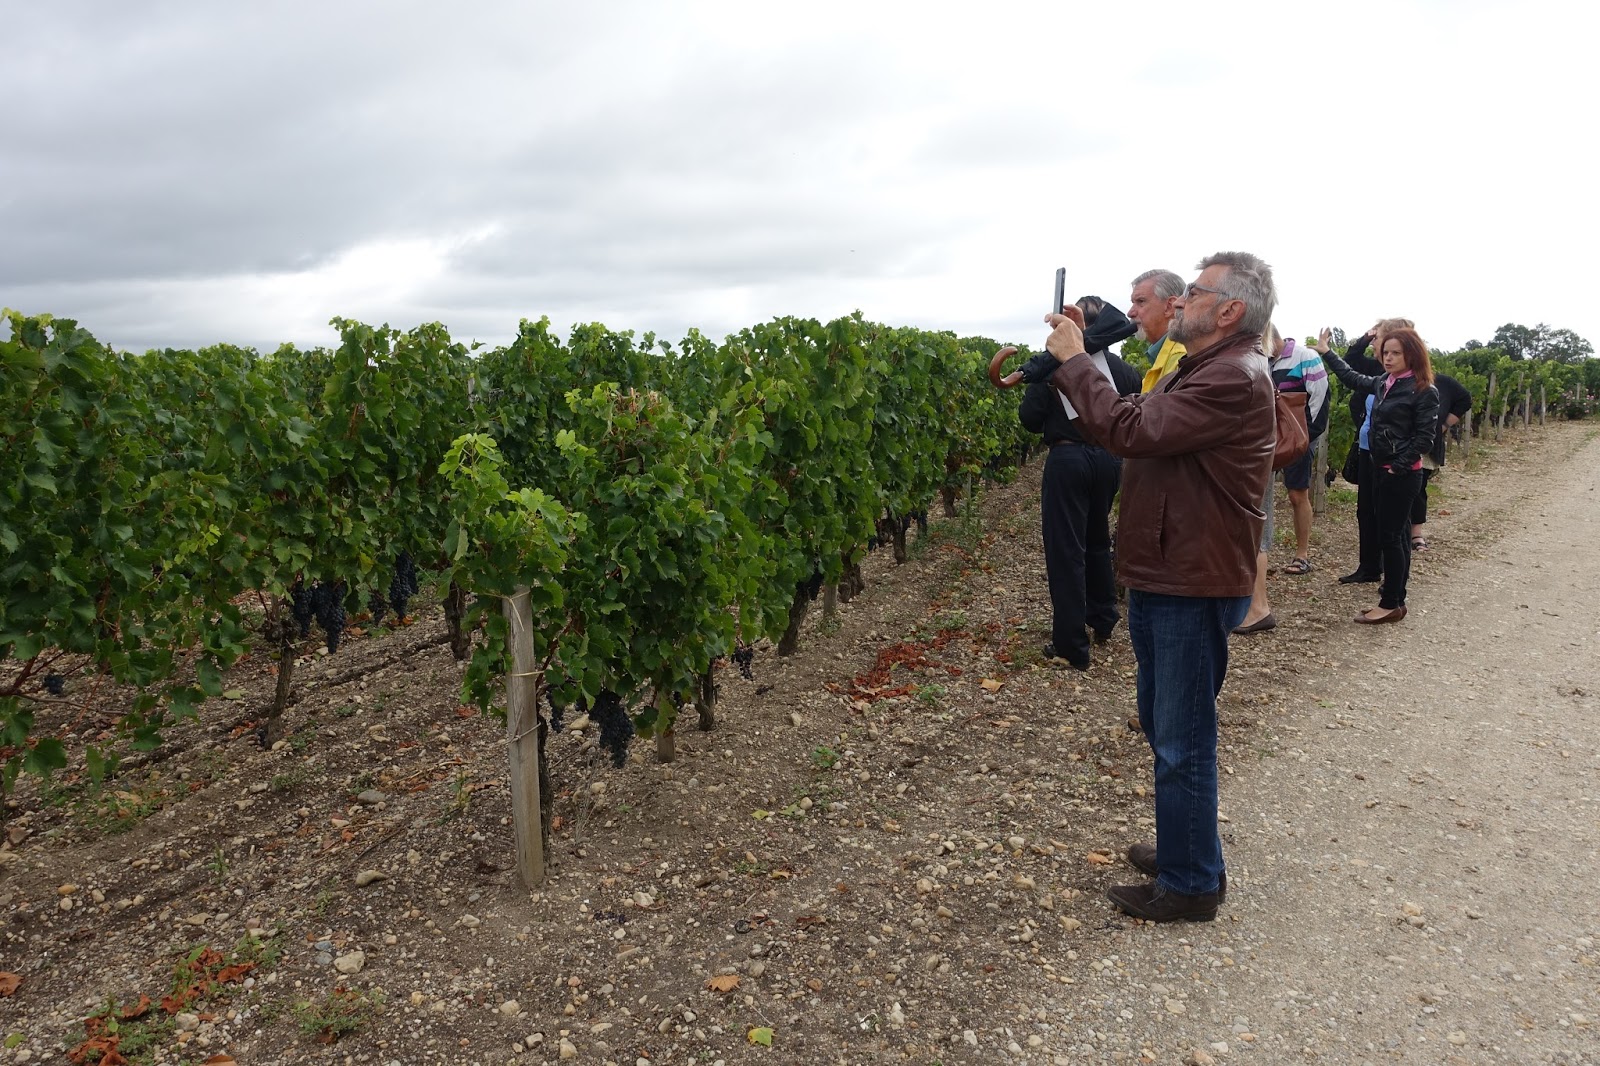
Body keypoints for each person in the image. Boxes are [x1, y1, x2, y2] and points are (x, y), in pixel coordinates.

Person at [1032, 251, 1277, 922]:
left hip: (1189, 581)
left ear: (1229, 311)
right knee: (1167, 724)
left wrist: (1076, 358)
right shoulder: (1208, 367)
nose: (1180, 302)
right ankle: (1184, 848)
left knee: (1182, 736)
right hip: (1173, 571)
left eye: (1194, 293)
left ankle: (1192, 883)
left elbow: (1125, 430)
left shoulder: (1229, 377)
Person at [1019, 297, 1142, 668]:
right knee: (1096, 539)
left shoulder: (1055, 365)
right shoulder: (1124, 370)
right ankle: (1103, 618)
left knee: (1065, 549)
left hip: (1068, 459)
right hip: (1109, 460)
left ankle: (1071, 643)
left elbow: (1030, 418)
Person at [1319, 327, 1439, 623]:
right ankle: (1394, 600)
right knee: (1391, 536)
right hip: (1381, 468)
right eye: (1386, 352)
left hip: (1400, 474)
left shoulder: (1423, 390)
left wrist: (1396, 466)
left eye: (1396, 353)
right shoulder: (1385, 382)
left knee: (1391, 539)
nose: (1388, 358)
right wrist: (1327, 352)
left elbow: (1425, 439)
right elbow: (1352, 377)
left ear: (1412, 354)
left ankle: (1391, 603)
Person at [1232, 324, 1331, 634]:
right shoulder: (1263, 361)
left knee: (1296, 495)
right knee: (1266, 505)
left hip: (1294, 440)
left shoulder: (1304, 357)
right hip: (1267, 444)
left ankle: (1301, 555)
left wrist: (1304, 441)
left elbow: (1319, 401)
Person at [1326, 319, 1413, 585]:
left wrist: (1400, 462)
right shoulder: (1379, 372)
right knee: (1366, 510)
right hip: (1367, 449)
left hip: (1390, 457)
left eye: (1379, 338)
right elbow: (1350, 365)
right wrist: (1364, 337)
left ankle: (1394, 577)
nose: (1377, 345)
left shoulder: (1405, 379)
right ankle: (1369, 567)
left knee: (1394, 521)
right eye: (1379, 344)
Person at [1409, 372, 1472, 550]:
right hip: (1397, 444)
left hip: (1427, 446)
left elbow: (1465, 400)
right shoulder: (1390, 379)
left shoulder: (1440, 381)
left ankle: (1416, 534)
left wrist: (1444, 425)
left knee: (1418, 489)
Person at [1127, 269, 1188, 392]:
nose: (1130, 313)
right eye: (1133, 303)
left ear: (1169, 306)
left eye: (1141, 302)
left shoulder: (1181, 357)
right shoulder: (1168, 353)